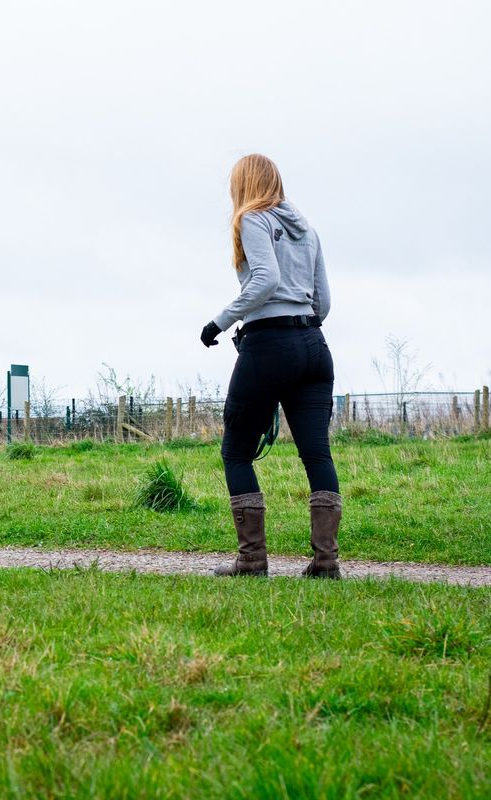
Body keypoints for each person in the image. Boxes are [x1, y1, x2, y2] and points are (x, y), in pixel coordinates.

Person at [200, 154, 342, 579]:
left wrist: (219, 323)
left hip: (269, 346)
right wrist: (299, 328)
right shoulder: (308, 230)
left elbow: (265, 280)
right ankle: (326, 562)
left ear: (244, 184)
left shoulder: (252, 219)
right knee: (316, 453)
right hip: (314, 346)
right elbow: (324, 303)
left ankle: (252, 560)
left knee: (237, 451)